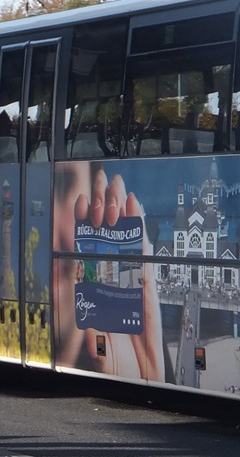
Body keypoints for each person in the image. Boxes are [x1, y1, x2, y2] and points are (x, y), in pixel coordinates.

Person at [52, 161, 165, 381]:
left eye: (65, 185)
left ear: (96, 202)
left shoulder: (142, 355)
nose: (50, 238)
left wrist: (146, 379)